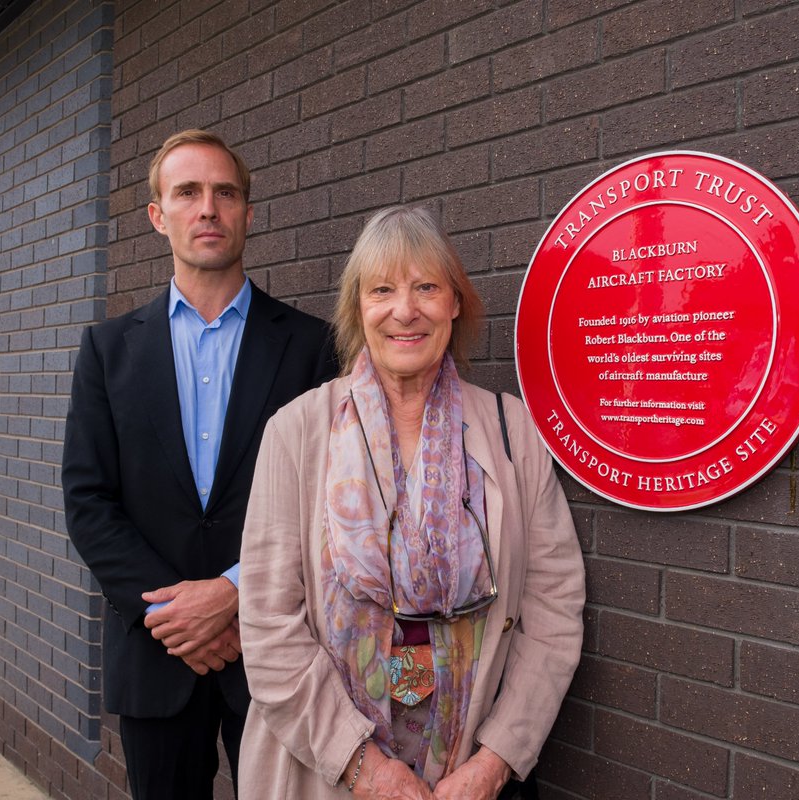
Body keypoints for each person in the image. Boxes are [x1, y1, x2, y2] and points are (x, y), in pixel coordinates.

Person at [237, 205, 585, 799]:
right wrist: (366, 769)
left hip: (465, 770)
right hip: (321, 771)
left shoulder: (511, 430)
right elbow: (268, 627)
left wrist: (494, 762)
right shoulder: (296, 431)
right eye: (382, 290)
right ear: (357, 308)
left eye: (426, 287)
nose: (406, 310)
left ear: (454, 303)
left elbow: (554, 610)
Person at [61, 129, 338, 799]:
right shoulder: (107, 351)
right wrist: (176, 614)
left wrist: (235, 593)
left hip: (277, 651)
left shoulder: (311, 347)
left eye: (225, 193)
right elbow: (88, 501)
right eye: (187, 192)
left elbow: (332, 496)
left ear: (247, 211)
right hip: (156, 654)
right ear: (159, 215)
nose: (207, 208)